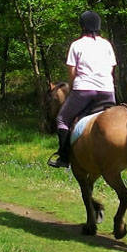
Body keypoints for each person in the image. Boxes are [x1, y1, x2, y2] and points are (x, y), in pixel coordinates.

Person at [48, 11, 117, 168]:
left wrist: (73, 89)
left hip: (84, 90)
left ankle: (64, 157)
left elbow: (72, 72)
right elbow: (111, 69)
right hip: (107, 92)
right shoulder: (106, 44)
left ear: (82, 26)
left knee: (62, 119)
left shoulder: (76, 45)